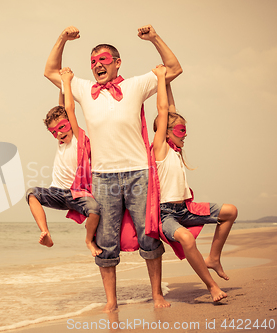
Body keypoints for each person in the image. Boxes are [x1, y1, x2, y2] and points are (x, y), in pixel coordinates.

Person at [44, 25, 183, 311]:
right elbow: (50, 71)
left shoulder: (136, 84)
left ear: (117, 62)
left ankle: (157, 294)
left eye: (103, 60)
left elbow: (174, 67)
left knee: (148, 234)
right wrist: (62, 39)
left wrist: (154, 38)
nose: (97, 66)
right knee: (105, 240)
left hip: (139, 173)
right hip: (102, 177)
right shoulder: (83, 89)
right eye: (93, 62)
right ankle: (111, 301)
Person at [152, 64, 238, 302]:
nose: (185, 134)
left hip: (185, 209)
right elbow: (162, 112)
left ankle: (213, 258)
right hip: (166, 215)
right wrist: (159, 78)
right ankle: (211, 287)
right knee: (187, 239)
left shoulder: (176, 149)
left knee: (230, 212)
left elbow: (169, 109)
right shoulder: (160, 150)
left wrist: (168, 82)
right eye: (181, 130)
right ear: (166, 132)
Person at [26, 67, 102, 257]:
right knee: (31, 193)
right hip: (57, 193)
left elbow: (68, 108)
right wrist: (61, 84)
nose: (59, 133)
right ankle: (46, 233)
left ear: (70, 123)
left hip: (77, 194)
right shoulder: (61, 142)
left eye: (62, 127)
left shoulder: (78, 138)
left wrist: (67, 82)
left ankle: (88, 240)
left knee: (94, 210)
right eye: (54, 132)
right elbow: (62, 107)